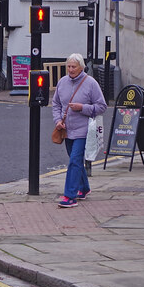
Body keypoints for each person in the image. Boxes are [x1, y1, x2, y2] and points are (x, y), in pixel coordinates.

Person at [52, 53, 107, 208]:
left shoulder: (91, 83)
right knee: (74, 159)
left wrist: (82, 108)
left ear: (81, 67)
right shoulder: (62, 82)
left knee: (75, 161)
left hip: (84, 131)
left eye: (73, 67)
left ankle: (70, 196)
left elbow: (102, 106)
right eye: (68, 66)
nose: (70, 69)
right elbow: (56, 104)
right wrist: (57, 121)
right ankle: (84, 188)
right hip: (67, 130)